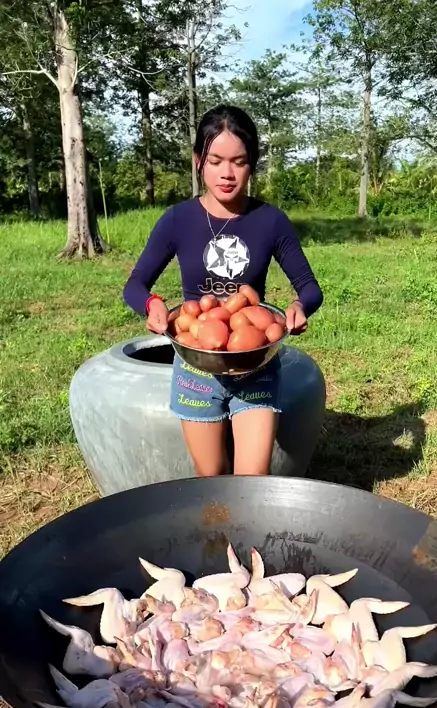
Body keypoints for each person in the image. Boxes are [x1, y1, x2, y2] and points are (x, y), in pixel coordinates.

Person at [123, 104, 323, 477]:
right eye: (215, 161)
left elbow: (310, 288)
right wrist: (151, 304)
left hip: (255, 366)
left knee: (252, 483)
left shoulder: (271, 221)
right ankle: (217, 523)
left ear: (252, 164)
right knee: (211, 480)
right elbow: (134, 285)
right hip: (195, 369)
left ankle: (247, 524)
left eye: (239, 162)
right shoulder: (178, 220)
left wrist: (300, 306)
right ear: (198, 161)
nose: (227, 173)